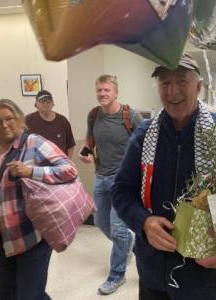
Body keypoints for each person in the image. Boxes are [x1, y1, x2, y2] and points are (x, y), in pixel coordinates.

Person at [110, 53, 216, 299]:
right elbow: (121, 190)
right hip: (154, 277)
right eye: (165, 82)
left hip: (208, 278)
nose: (172, 90)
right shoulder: (144, 136)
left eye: (181, 81)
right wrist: (143, 222)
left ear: (198, 86)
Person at [0, 99, 78, 299]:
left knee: (30, 295)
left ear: (20, 119)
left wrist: (31, 171)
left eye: (9, 118)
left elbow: (69, 170)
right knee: (5, 295)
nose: (4, 125)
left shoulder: (34, 143)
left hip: (31, 235)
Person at [78, 74, 142, 295]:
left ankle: (117, 275)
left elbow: (146, 141)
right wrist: (84, 152)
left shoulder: (129, 115)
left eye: (107, 90)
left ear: (116, 92)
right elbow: (90, 139)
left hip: (124, 180)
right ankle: (126, 247)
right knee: (100, 222)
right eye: (99, 90)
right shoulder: (93, 115)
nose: (103, 94)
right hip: (101, 176)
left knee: (118, 228)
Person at [26, 90, 76, 158]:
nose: (45, 103)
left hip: (58, 167)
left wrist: (67, 163)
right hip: (35, 167)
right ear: (36, 104)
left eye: (48, 101)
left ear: (53, 104)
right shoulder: (28, 121)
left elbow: (70, 146)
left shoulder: (63, 121)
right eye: (42, 101)